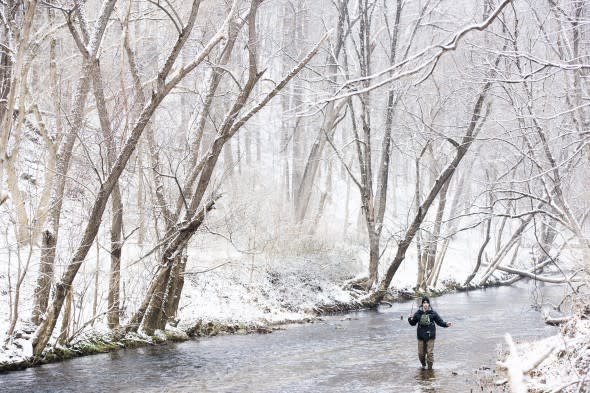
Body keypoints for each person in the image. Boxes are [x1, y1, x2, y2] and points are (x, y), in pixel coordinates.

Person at [407, 296, 452, 370]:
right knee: (421, 354)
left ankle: (430, 370)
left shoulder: (433, 313)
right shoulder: (418, 313)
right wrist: (409, 318)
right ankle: (424, 365)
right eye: (424, 303)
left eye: (427, 302)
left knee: (430, 354)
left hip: (430, 335)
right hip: (421, 336)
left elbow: (439, 322)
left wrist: (446, 324)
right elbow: (412, 323)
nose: (425, 304)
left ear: (429, 304)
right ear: (422, 304)